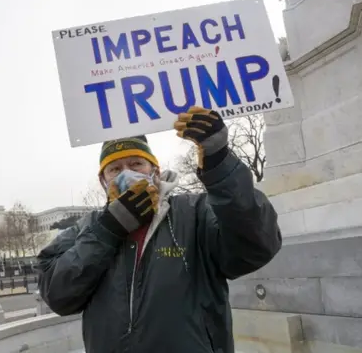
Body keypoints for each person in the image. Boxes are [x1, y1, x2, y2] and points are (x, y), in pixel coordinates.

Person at [37, 106, 282, 353]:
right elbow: (58, 294)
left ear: (154, 170)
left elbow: (255, 247)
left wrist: (220, 163)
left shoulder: (195, 212)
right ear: (104, 181)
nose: (127, 174)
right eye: (115, 169)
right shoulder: (87, 228)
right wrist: (108, 230)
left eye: (136, 164)